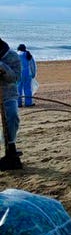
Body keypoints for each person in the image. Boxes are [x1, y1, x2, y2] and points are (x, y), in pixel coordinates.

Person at [0, 38, 23, 170]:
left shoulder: (12, 56)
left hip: (8, 94)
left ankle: (11, 146)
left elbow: (16, 77)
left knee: (13, 116)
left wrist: (2, 67)